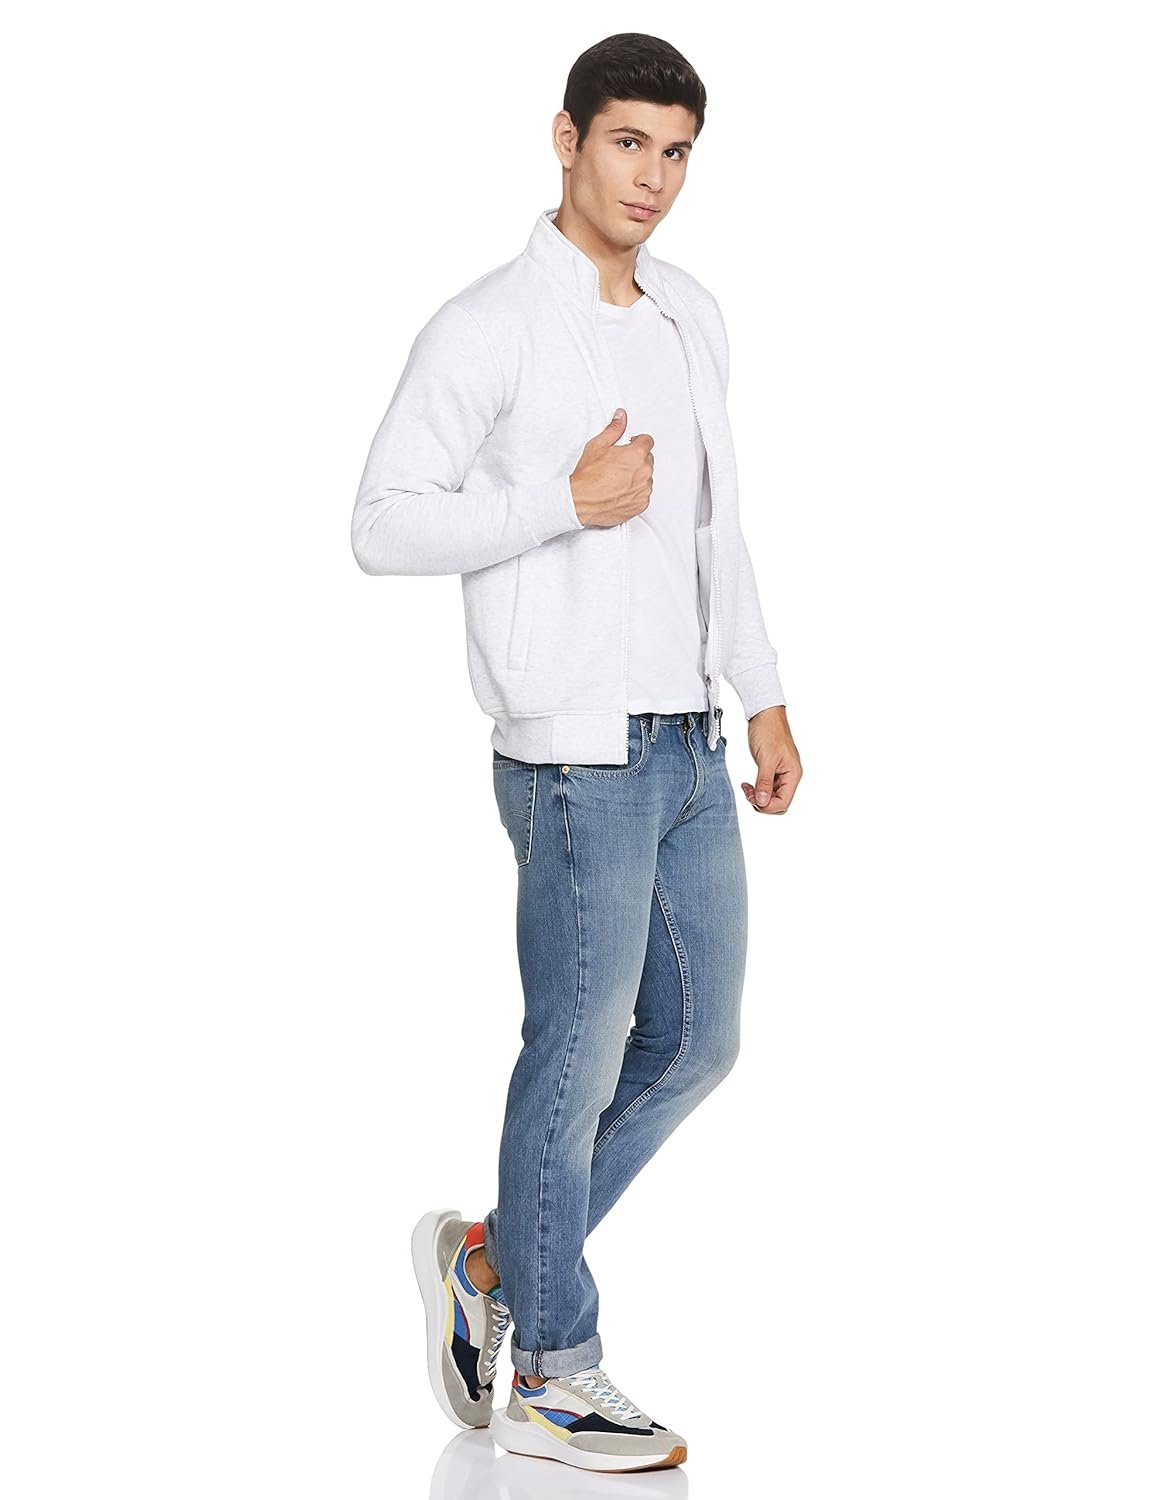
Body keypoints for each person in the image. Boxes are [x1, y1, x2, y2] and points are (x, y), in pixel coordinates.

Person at [352, 31, 802, 1474]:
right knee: (576, 1050)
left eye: (675, 152)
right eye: (627, 143)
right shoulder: (488, 326)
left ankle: (493, 1259)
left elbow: (715, 525)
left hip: (688, 740)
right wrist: (565, 497)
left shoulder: (691, 315)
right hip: (569, 756)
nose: (651, 177)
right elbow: (381, 524)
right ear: (566, 140)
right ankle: (552, 1369)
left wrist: (761, 690)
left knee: (696, 1043)